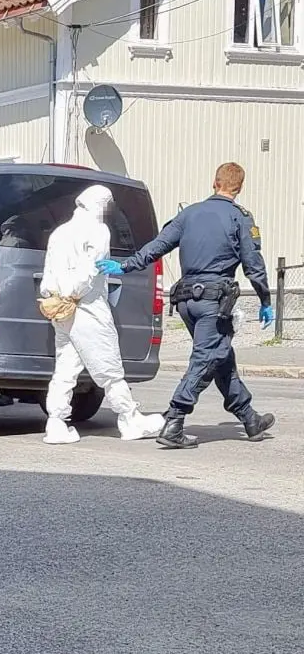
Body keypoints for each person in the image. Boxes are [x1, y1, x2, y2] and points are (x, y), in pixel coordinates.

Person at [97, 162, 276, 448]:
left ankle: (249, 418)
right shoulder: (240, 217)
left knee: (221, 357)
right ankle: (175, 419)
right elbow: (253, 263)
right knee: (206, 358)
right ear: (239, 188)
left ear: (214, 183)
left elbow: (157, 246)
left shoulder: (189, 214)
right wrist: (265, 300)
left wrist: (124, 265)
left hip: (185, 303)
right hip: (214, 304)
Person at [38, 184, 166, 444]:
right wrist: (73, 293)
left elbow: (49, 271)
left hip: (61, 309)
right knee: (109, 367)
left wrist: (56, 295)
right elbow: (89, 271)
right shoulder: (97, 231)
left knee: (65, 368)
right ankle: (129, 418)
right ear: (102, 205)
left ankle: (56, 422)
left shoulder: (60, 233)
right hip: (87, 306)